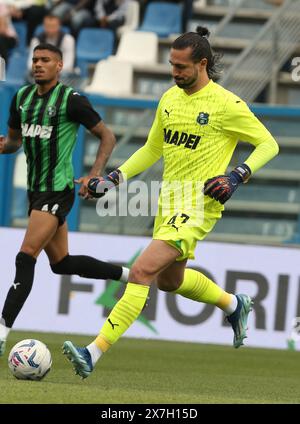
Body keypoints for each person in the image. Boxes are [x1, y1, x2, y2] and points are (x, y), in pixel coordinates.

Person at [62, 26, 279, 379]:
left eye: (181, 67)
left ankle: (93, 352)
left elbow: (269, 144)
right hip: (169, 202)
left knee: (142, 271)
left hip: (198, 205)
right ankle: (232, 303)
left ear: (202, 64)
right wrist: (114, 179)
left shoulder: (227, 104)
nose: (174, 73)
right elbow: (152, 150)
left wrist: (237, 175)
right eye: (171, 66)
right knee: (169, 282)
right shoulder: (169, 99)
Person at [0, 43, 129, 357]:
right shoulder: (21, 98)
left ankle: (1, 333)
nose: (38, 65)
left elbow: (107, 135)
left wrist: (95, 174)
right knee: (61, 264)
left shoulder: (71, 100)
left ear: (59, 65)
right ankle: (129, 275)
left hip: (58, 190)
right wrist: (2, 145)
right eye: (35, 60)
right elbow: (14, 142)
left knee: (25, 255)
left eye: (45, 60)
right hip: (36, 191)